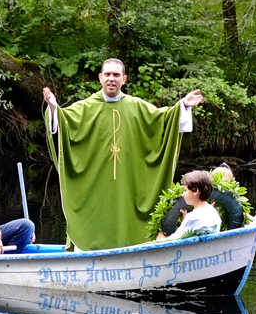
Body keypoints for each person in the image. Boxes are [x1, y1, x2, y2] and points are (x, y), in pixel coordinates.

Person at [42, 59, 204, 250]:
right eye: (108, 74)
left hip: (129, 186)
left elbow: (164, 118)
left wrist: (183, 105)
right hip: (96, 189)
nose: (112, 79)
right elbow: (62, 122)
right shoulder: (84, 108)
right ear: (100, 77)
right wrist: (53, 107)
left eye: (116, 75)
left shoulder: (138, 107)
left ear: (124, 79)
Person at [156, 170, 221, 241]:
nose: (183, 194)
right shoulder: (213, 212)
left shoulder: (193, 217)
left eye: (185, 190)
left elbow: (172, 240)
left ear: (195, 191)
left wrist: (160, 237)